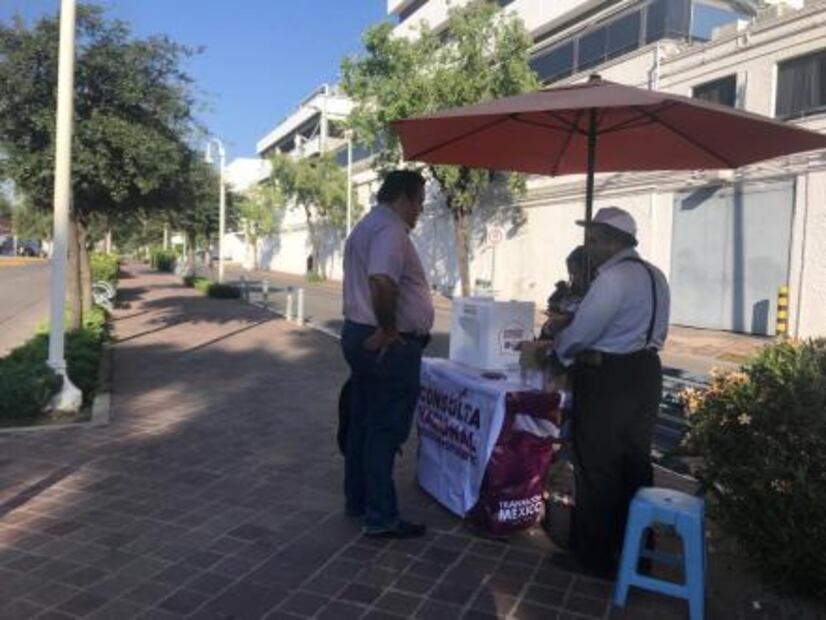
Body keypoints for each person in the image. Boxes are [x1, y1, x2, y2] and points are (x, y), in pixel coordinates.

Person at [552, 206, 670, 578]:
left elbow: (583, 333)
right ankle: (637, 554)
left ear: (612, 241)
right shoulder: (656, 276)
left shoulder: (612, 279)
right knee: (635, 465)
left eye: (595, 238)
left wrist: (558, 348)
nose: (590, 245)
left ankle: (593, 556)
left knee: (597, 468)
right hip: (647, 374)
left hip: (609, 378)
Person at [340, 169, 433, 539]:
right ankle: (380, 516)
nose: (419, 212)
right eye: (420, 203)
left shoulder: (367, 225)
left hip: (359, 333)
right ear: (404, 198)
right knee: (384, 428)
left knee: (364, 422)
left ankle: (358, 500)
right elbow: (382, 279)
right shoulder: (391, 229)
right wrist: (390, 329)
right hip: (386, 344)